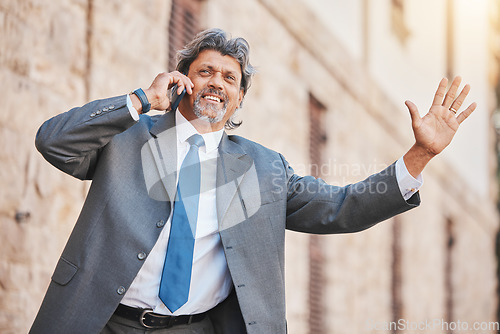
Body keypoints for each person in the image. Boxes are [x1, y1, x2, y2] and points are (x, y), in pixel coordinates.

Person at [30, 28, 476, 334]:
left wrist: (421, 154)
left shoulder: (265, 168)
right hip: (102, 320)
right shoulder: (126, 137)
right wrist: (142, 99)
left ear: (240, 97)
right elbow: (54, 143)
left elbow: (343, 207)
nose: (216, 83)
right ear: (183, 79)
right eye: (205, 71)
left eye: (230, 78)